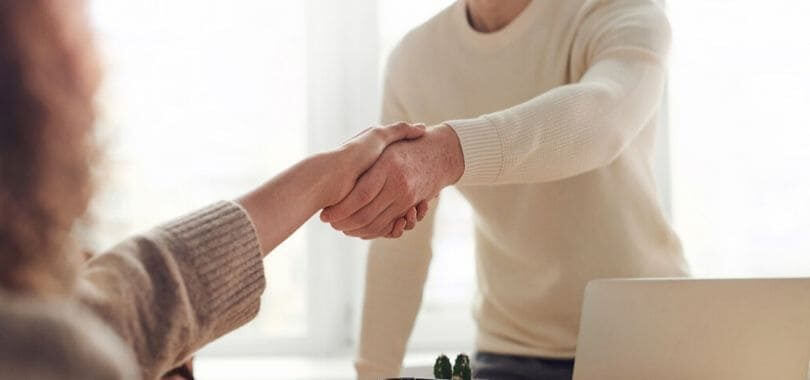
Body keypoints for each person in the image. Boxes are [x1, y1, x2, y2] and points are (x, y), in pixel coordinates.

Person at [0, 1, 427, 379]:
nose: (95, 66)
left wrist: (321, 178)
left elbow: (122, 307)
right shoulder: (54, 354)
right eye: (76, 30)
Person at [319, 0, 691, 379]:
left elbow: (603, 118)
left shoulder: (616, 9)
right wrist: (374, 371)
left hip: (651, 338)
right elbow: (400, 241)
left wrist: (450, 153)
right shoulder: (416, 59)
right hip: (511, 351)